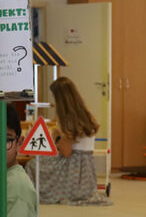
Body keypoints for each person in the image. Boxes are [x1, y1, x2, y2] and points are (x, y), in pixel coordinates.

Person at [37, 76, 101, 204]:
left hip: (73, 167)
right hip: (87, 170)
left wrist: (56, 135)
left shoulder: (68, 120)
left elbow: (66, 152)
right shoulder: (87, 115)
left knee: (34, 164)